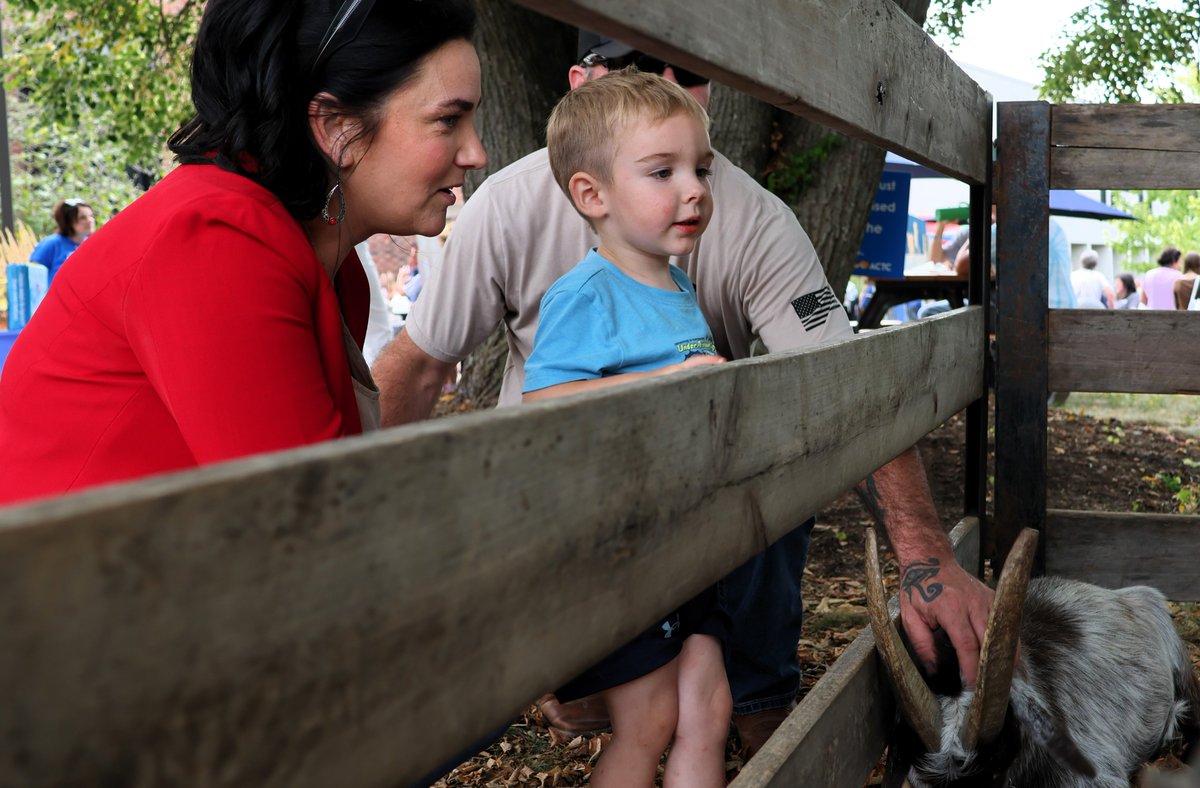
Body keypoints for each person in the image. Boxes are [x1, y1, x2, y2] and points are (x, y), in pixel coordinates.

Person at [373, 32, 994, 756]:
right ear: (581, 82)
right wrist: (376, 549)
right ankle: (581, 675)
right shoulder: (507, 205)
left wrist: (926, 557)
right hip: (564, 497)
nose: (669, 82)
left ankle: (756, 691)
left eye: (693, 70)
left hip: (693, 493)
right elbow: (418, 363)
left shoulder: (749, 218)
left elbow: (842, 377)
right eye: (638, 67)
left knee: (776, 427)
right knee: (627, 708)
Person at [0, 0, 485, 505]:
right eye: (449, 120)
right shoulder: (217, 241)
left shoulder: (327, 260)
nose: (476, 153)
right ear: (336, 127)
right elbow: (305, 516)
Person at [526, 68, 730, 787]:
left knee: (708, 706)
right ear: (593, 195)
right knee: (647, 726)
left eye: (700, 169)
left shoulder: (676, 282)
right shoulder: (585, 296)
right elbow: (544, 407)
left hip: (686, 544)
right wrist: (665, 385)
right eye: (663, 171)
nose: (695, 188)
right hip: (623, 556)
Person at [29, 198, 95, 284]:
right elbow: (32, 277)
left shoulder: (91, 245)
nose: (90, 221)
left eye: (91, 216)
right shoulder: (51, 243)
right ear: (68, 221)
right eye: (82, 218)